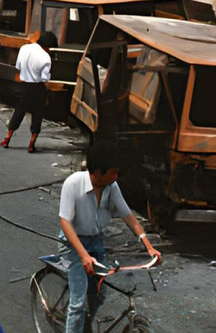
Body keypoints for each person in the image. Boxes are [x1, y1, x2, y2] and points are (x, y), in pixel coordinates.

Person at [57, 141, 160, 333]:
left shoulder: (111, 187)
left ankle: (84, 325)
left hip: (95, 241)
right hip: (73, 243)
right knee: (78, 303)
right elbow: (65, 222)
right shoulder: (73, 184)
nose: (115, 177)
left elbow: (129, 217)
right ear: (97, 172)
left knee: (99, 294)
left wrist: (148, 246)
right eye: (112, 172)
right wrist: (84, 256)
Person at [0, 31, 55, 153]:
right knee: (37, 113)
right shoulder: (46, 58)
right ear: (47, 46)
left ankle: (7, 137)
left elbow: (18, 66)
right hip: (38, 87)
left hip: (24, 86)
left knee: (19, 111)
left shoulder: (24, 48)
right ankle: (32, 142)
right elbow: (45, 78)